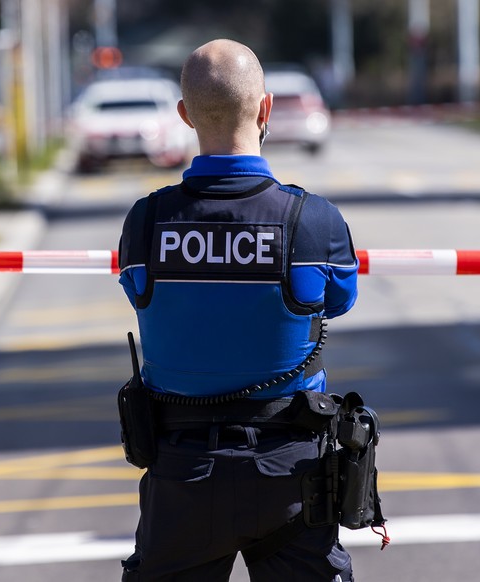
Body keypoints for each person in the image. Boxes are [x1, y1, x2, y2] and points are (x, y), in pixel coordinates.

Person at [118, 39, 359, 581]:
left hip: (181, 476)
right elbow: (340, 301)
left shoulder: (146, 221)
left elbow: (140, 297)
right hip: (293, 476)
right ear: (266, 107)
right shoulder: (313, 221)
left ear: (184, 115)